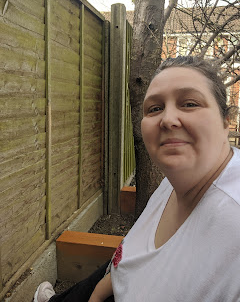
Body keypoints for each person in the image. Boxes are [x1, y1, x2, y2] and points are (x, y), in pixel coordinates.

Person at [34, 55, 240, 302]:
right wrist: (96, 295)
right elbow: (131, 263)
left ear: (226, 120)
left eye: (190, 103)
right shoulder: (172, 183)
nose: (168, 119)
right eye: (154, 108)